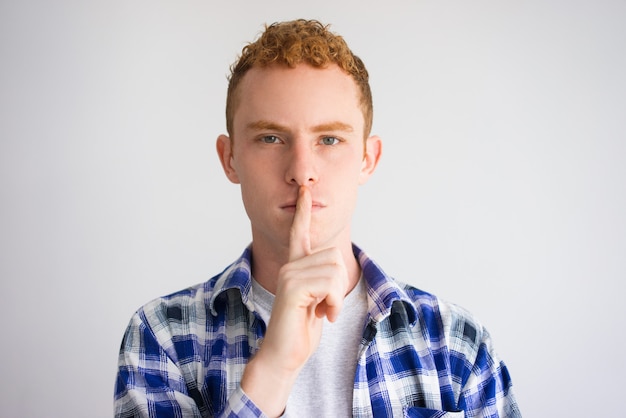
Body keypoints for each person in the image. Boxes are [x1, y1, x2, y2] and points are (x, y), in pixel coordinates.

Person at [114, 19, 521, 418]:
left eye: (329, 139)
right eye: (271, 138)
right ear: (230, 157)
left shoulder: (457, 345)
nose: (302, 170)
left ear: (367, 158)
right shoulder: (162, 335)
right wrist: (273, 369)